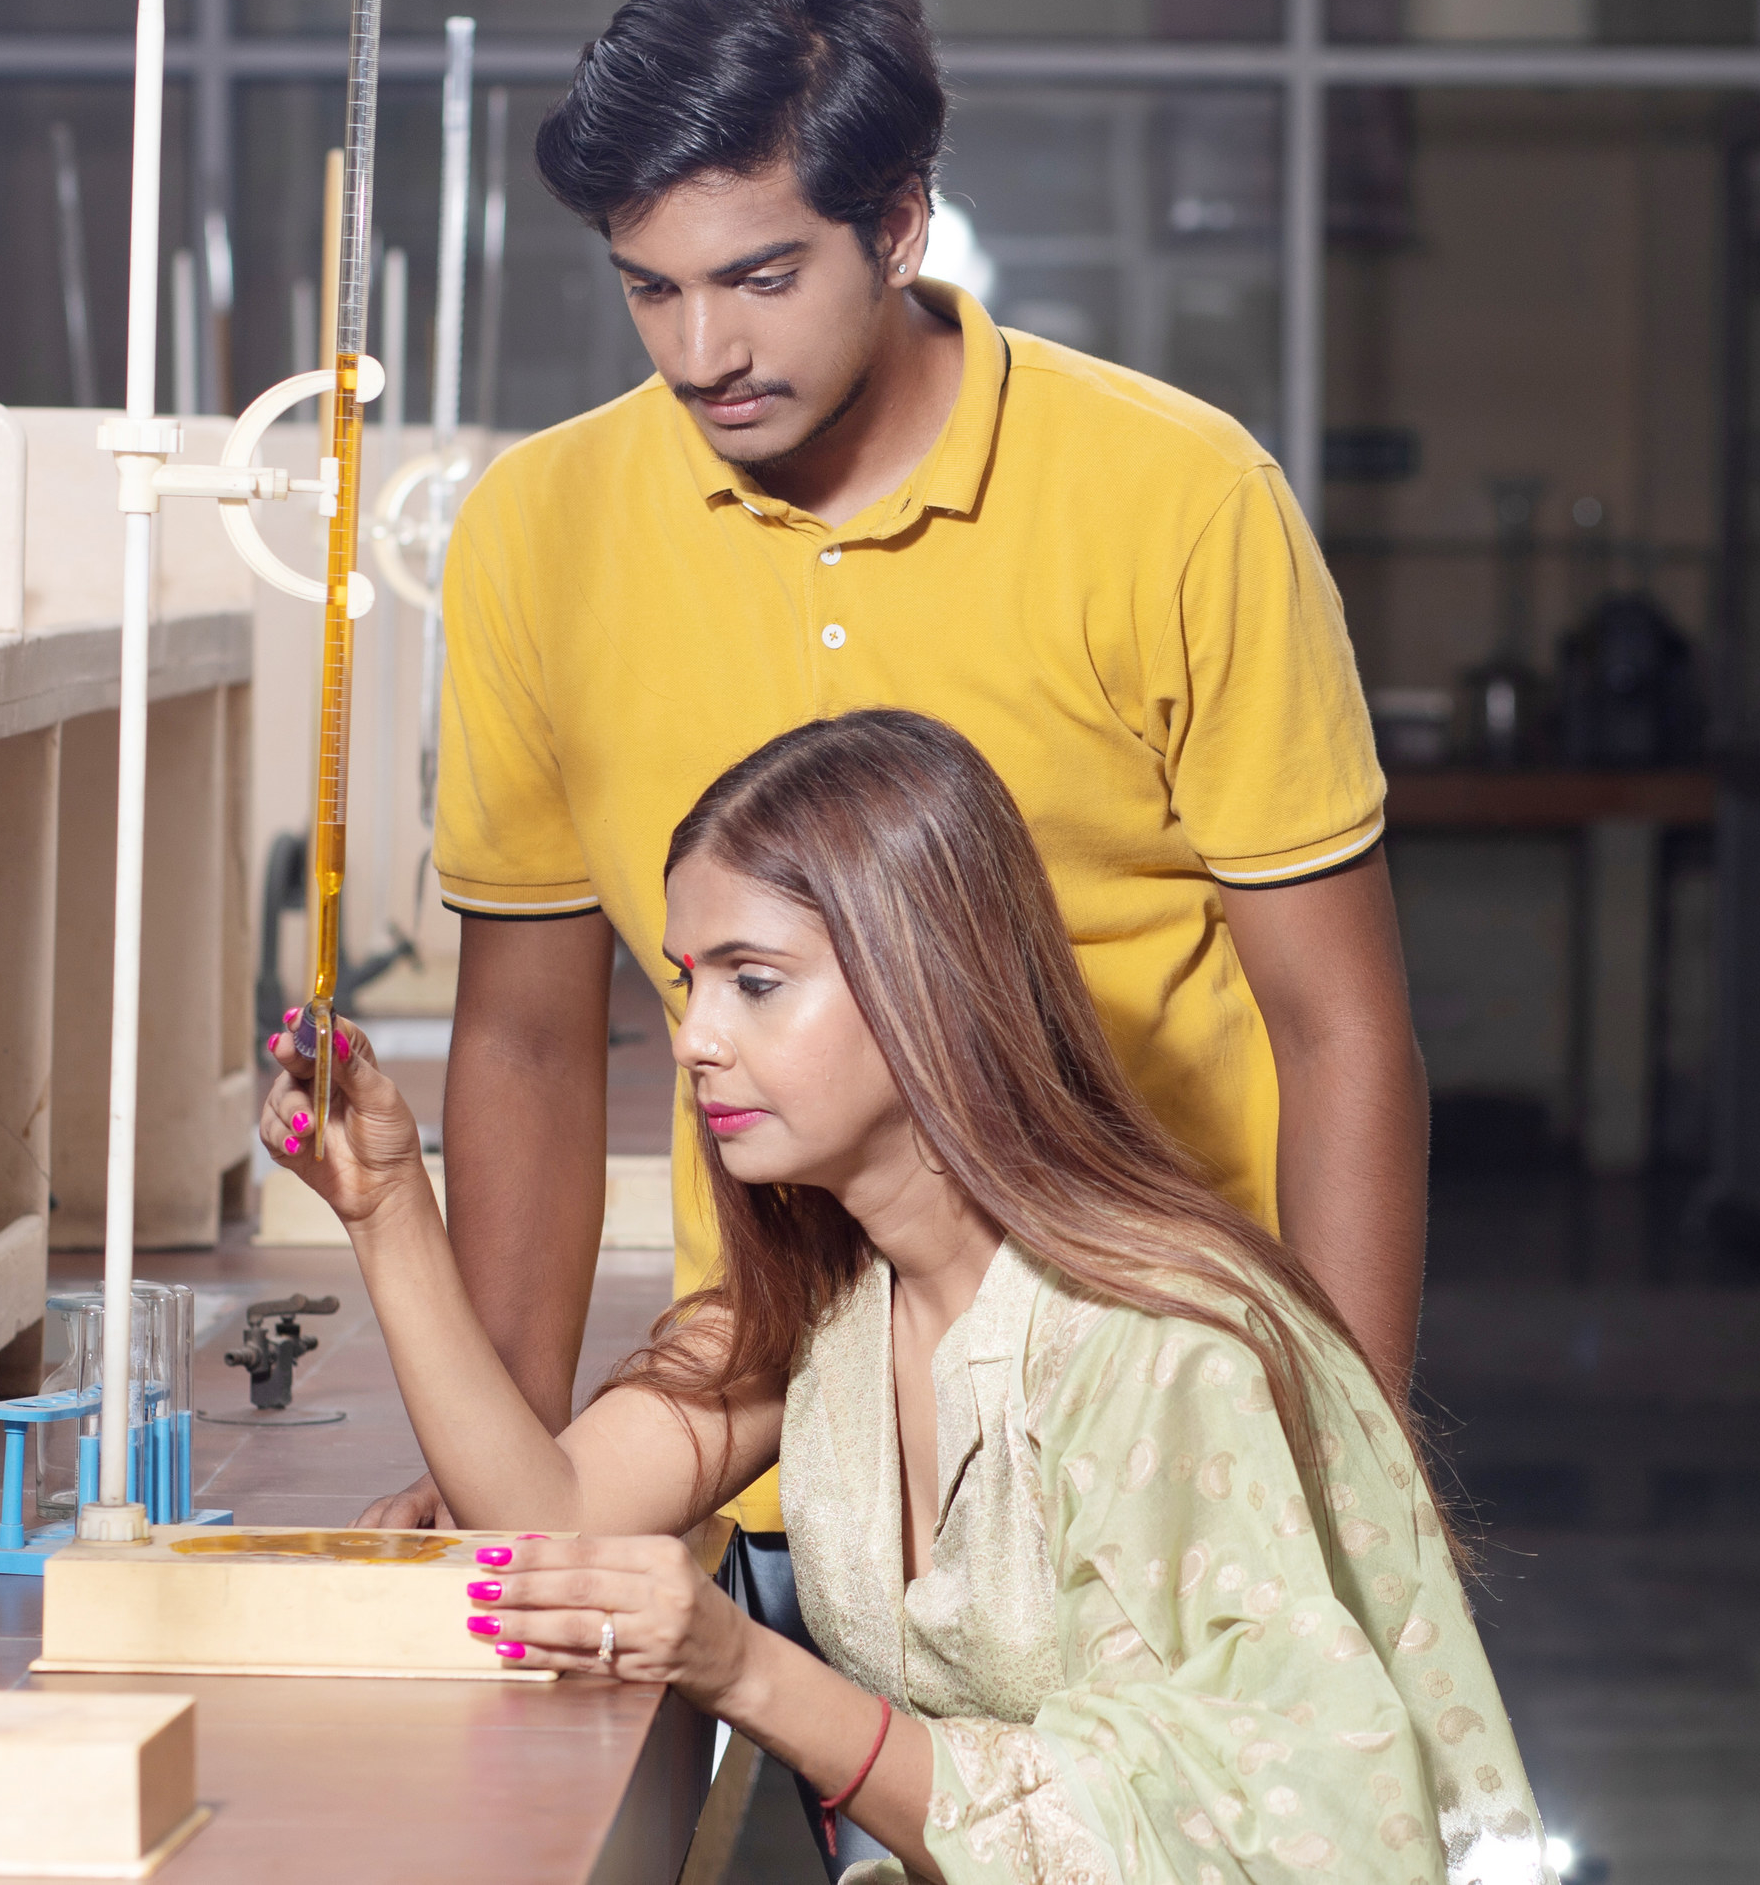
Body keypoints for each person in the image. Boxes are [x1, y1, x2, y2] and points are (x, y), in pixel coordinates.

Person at [381, 0, 1429, 1576]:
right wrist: (508, 1458)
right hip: (794, 1451)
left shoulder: (1180, 496)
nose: (700, 353)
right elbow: (527, 1041)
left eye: (761, 277)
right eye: (650, 286)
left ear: (900, 222)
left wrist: (1346, 1483)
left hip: (1162, 1448)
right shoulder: (538, 533)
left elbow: (1338, 1025)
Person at [270, 713, 1541, 1885]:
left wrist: (738, 1661)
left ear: (925, 977)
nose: (696, 1038)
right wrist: (387, 1206)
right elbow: (546, 1516)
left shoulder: (1161, 1345)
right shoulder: (828, 1295)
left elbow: (1260, 1825)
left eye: (755, 982)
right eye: (686, 983)